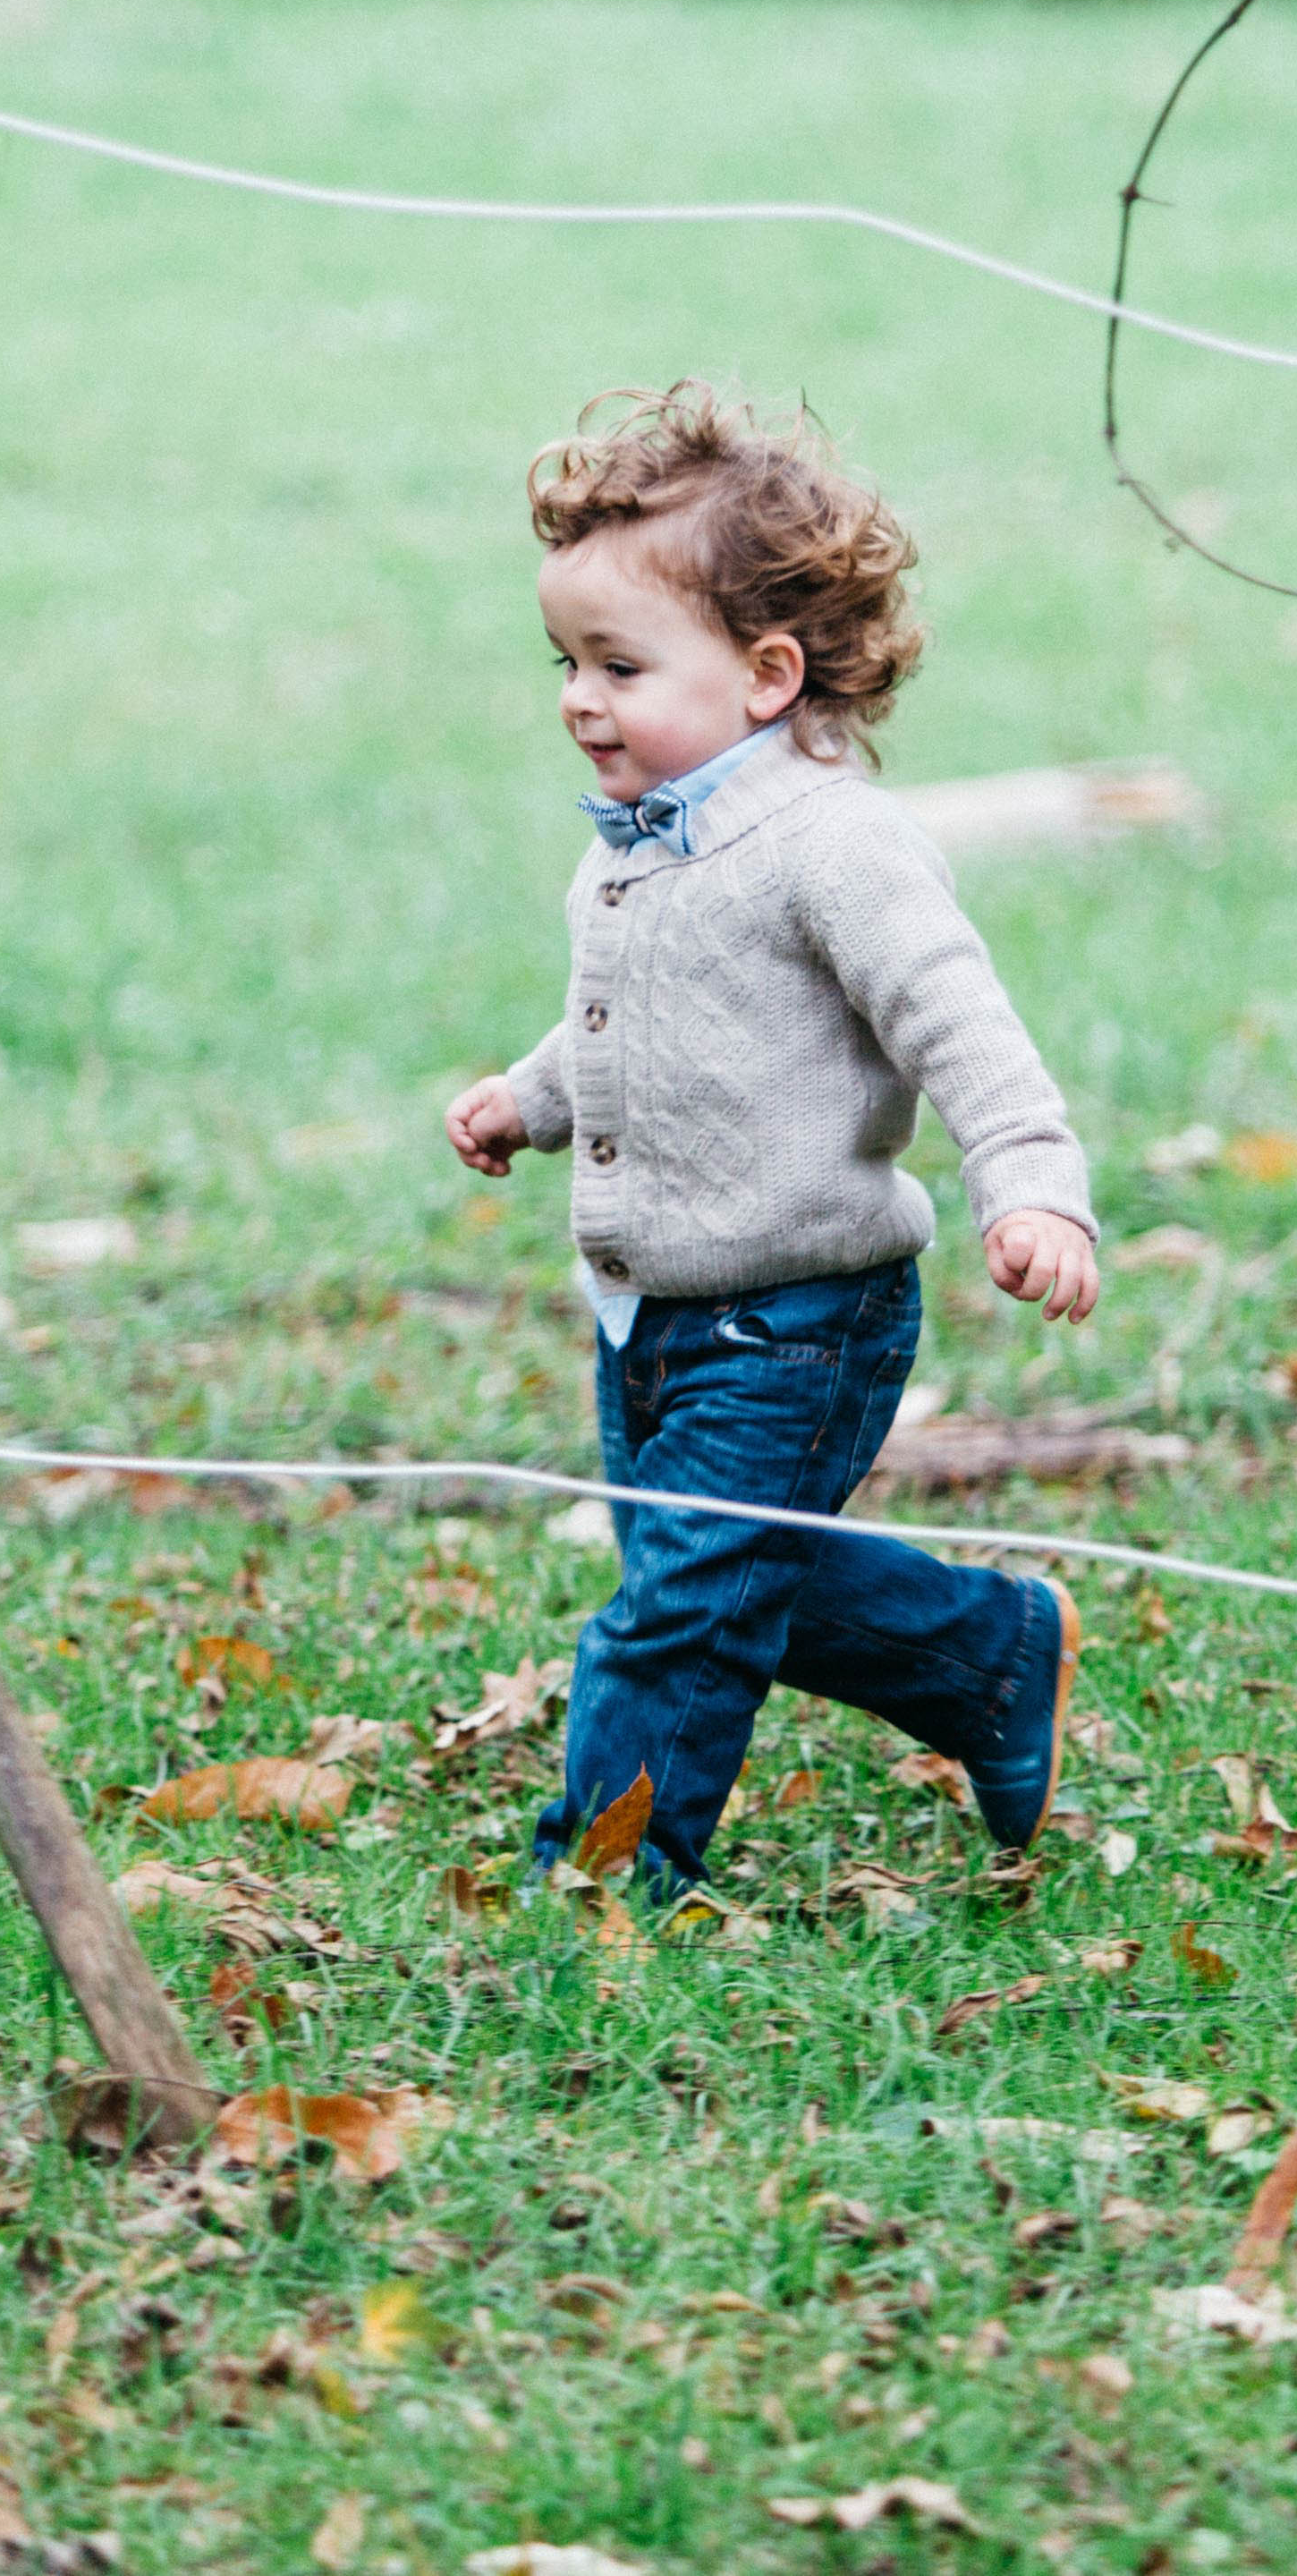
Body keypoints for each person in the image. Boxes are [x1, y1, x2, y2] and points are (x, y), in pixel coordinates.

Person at [443, 385, 1101, 1892]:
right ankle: (989, 1655)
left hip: (797, 1316)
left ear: (766, 674)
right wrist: (532, 1095)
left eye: (618, 665)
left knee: (679, 1606)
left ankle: (602, 1882)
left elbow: (963, 1028)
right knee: (718, 1573)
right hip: (650, 1310)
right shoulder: (641, 839)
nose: (579, 699)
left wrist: (1033, 1191)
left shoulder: (834, 844)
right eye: (565, 661)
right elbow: (647, 1022)